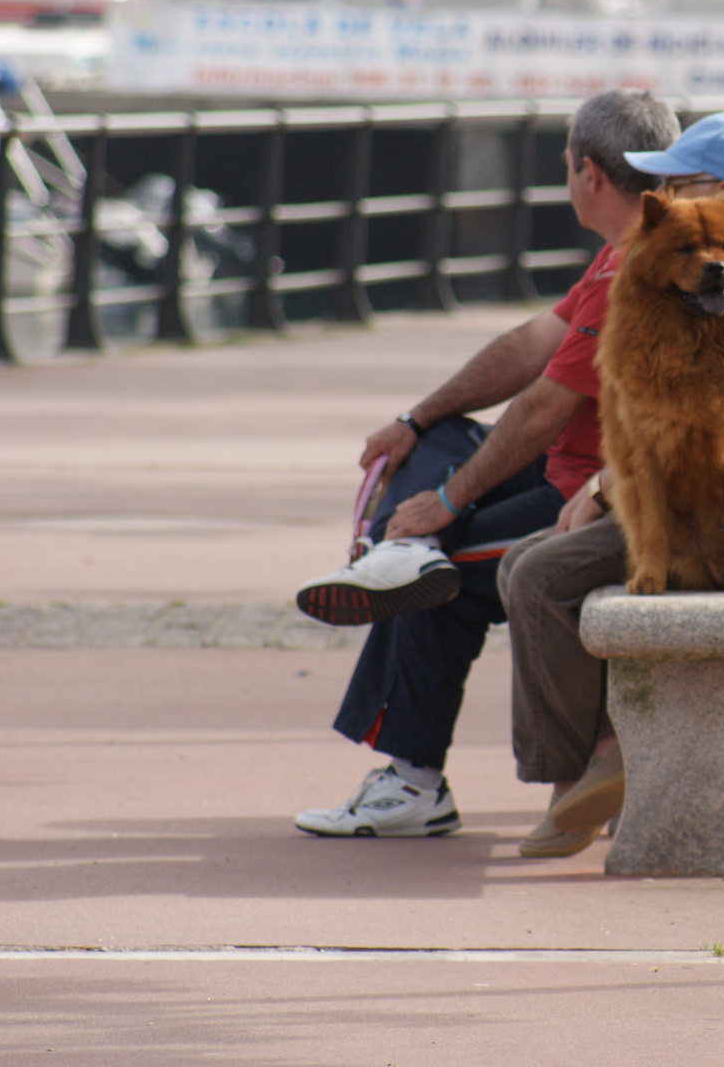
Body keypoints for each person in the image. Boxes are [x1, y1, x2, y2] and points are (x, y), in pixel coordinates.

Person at [288, 90, 681, 838]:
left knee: (430, 580)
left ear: (589, 173)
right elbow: (528, 347)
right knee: (437, 446)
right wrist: (416, 419)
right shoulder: (619, 252)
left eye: (566, 168)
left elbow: (543, 407)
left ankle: (411, 782)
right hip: (565, 474)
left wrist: (446, 501)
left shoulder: (641, 266)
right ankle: (395, 546)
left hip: (595, 501)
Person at [498, 112, 724, 858]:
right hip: (706, 496)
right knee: (517, 564)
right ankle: (611, 748)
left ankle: (586, 776)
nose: (656, 194)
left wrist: (599, 491)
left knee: (537, 578)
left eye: (673, 182)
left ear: (723, 193)